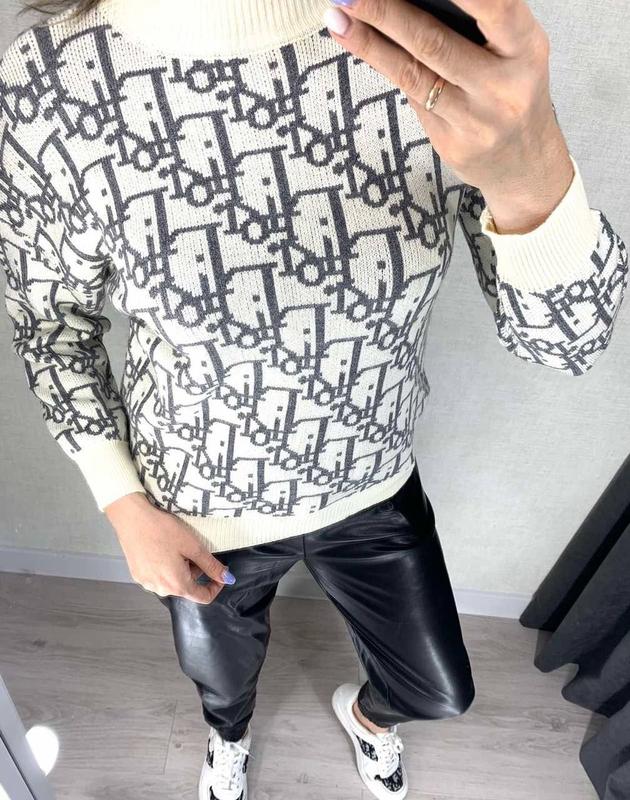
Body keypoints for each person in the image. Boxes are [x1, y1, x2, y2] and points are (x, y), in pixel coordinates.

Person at [0, 0, 627, 797]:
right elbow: (51, 323)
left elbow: (569, 342)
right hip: (195, 506)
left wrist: (533, 172)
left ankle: (367, 718)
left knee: (439, 691)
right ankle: (228, 740)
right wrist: (122, 505)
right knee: (222, 686)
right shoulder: (51, 82)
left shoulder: (430, 42)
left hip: (372, 482)